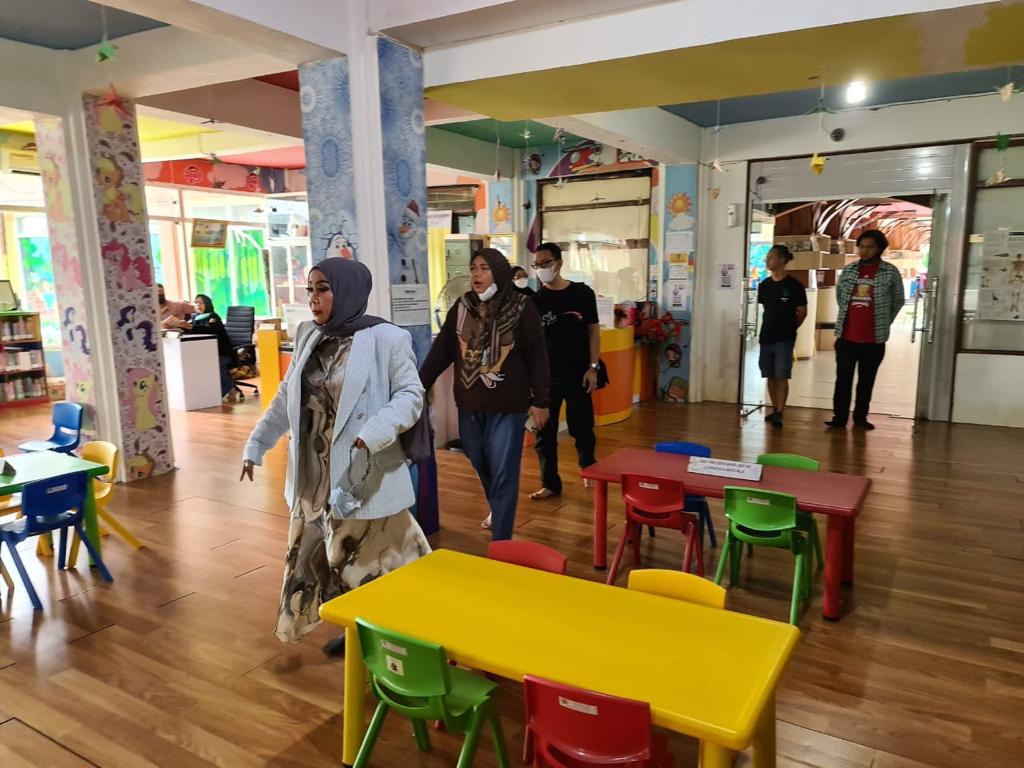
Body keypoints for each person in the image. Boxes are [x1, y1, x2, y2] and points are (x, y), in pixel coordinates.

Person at [240, 258, 429, 654]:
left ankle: (393, 639)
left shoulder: (386, 338)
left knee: (368, 563)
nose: (313, 298)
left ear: (346, 291)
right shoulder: (309, 334)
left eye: (323, 289)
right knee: (327, 561)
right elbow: (287, 396)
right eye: (310, 289)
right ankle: (357, 629)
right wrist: (257, 443)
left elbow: (411, 395)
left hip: (362, 474)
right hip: (314, 477)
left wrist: (375, 430)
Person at [420, 248, 550, 539]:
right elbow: (441, 352)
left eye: (484, 268)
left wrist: (541, 401)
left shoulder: (522, 307)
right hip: (469, 403)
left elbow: (537, 356)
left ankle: (501, 540)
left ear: (499, 272)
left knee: (504, 470)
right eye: (473, 268)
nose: (476, 275)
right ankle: (499, 506)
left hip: (509, 406)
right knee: (479, 459)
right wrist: (418, 387)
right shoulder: (463, 306)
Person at [530, 242, 600, 499]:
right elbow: (531, 345)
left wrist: (593, 368)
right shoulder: (535, 301)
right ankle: (550, 483)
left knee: (582, 427)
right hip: (546, 379)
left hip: (578, 374)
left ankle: (589, 468)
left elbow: (594, 332)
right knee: (544, 433)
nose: (541, 269)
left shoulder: (582, 293)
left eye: (545, 263)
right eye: (536, 265)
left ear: (558, 263)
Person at [827, 229, 905, 430]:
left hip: (873, 340)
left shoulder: (890, 272)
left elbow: (898, 300)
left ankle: (860, 417)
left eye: (869, 247)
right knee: (843, 379)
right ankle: (839, 417)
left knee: (866, 380)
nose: (864, 251)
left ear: (879, 249)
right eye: (861, 246)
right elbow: (840, 295)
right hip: (846, 337)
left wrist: (884, 321)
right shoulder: (849, 270)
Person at [757, 245, 808, 428]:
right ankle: (774, 409)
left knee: (782, 374)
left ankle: (780, 411)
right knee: (770, 375)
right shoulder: (764, 285)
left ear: (782, 260)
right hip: (766, 337)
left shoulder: (795, 286)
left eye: (771, 257)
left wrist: (790, 328)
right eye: (767, 257)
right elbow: (767, 308)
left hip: (785, 339)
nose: (767, 260)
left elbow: (802, 312)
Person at [180, 294, 238, 402]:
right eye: (196, 303)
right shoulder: (195, 317)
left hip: (221, 353)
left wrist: (190, 327)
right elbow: (191, 330)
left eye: (201, 303)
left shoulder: (213, 317)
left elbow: (210, 331)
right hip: (205, 352)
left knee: (213, 367)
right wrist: (181, 326)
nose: (198, 305)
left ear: (207, 304)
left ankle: (226, 390)